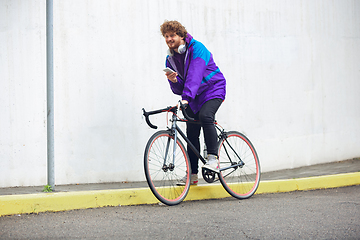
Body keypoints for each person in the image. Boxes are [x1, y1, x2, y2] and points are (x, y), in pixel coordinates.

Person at [160, 20, 226, 185]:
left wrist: (186, 98)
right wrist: (174, 81)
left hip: (213, 89)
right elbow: (179, 89)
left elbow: (195, 76)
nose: (169, 39)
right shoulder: (171, 59)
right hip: (193, 96)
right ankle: (193, 174)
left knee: (205, 116)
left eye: (172, 35)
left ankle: (213, 159)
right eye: (166, 36)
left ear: (181, 36)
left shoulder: (198, 49)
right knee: (191, 132)